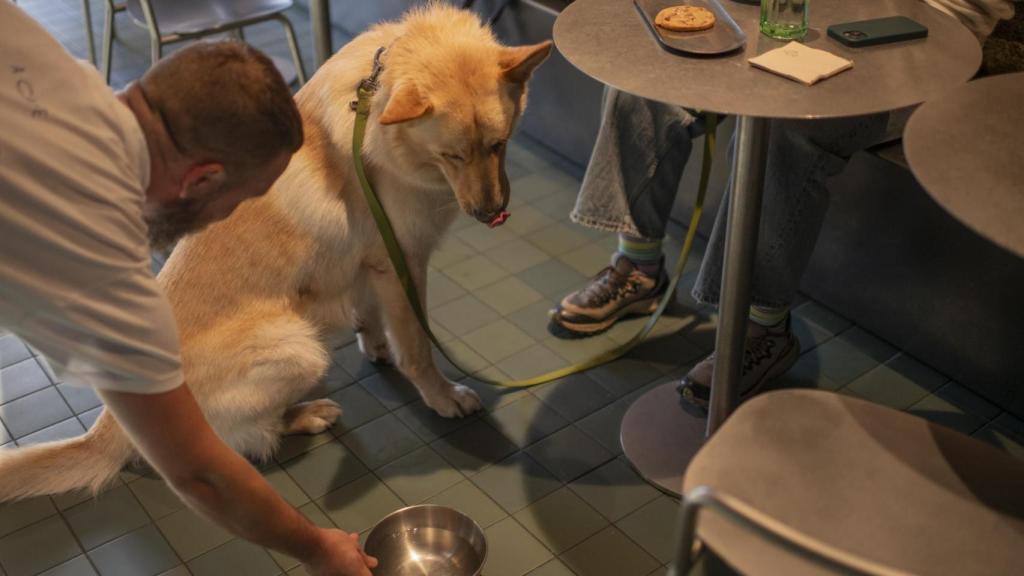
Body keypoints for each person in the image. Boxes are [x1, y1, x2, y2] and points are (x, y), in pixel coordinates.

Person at [0, 4, 376, 575]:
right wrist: (319, 548)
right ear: (202, 179)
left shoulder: (33, 48)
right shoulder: (99, 266)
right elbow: (200, 474)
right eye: (243, 198)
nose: (231, 216)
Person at [550, 0, 1015, 407]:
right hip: (811, 22)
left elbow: (962, 16)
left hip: (913, 53)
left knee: (788, 127)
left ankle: (762, 329)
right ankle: (638, 268)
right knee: (643, 71)